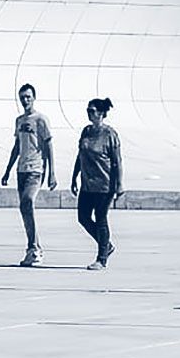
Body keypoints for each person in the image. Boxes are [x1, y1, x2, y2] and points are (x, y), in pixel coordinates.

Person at [0, 83, 56, 266]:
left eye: (28, 97)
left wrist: (52, 173)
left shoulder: (41, 120)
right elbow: (17, 147)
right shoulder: (19, 121)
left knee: (28, 201)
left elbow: (48, 145)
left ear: (34, 98)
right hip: (21, 170)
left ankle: (35, 248)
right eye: (22, 97)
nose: (25, 100)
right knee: (25, 209)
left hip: (36, 169)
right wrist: (7, 170)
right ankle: (33, 248)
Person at [70, 97, 123, 270]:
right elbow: (80, 155)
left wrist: (119, 184)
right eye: (88, 110)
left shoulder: (110, 135)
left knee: (101, 219)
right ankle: (106, 245)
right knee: (83, 218)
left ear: (101, 113)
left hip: (104, 185)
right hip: (87, 184)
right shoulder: (86, 131)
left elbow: (117, 161)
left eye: (92, 111)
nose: (89, 113)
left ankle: (101, 259)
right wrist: (74, 177)